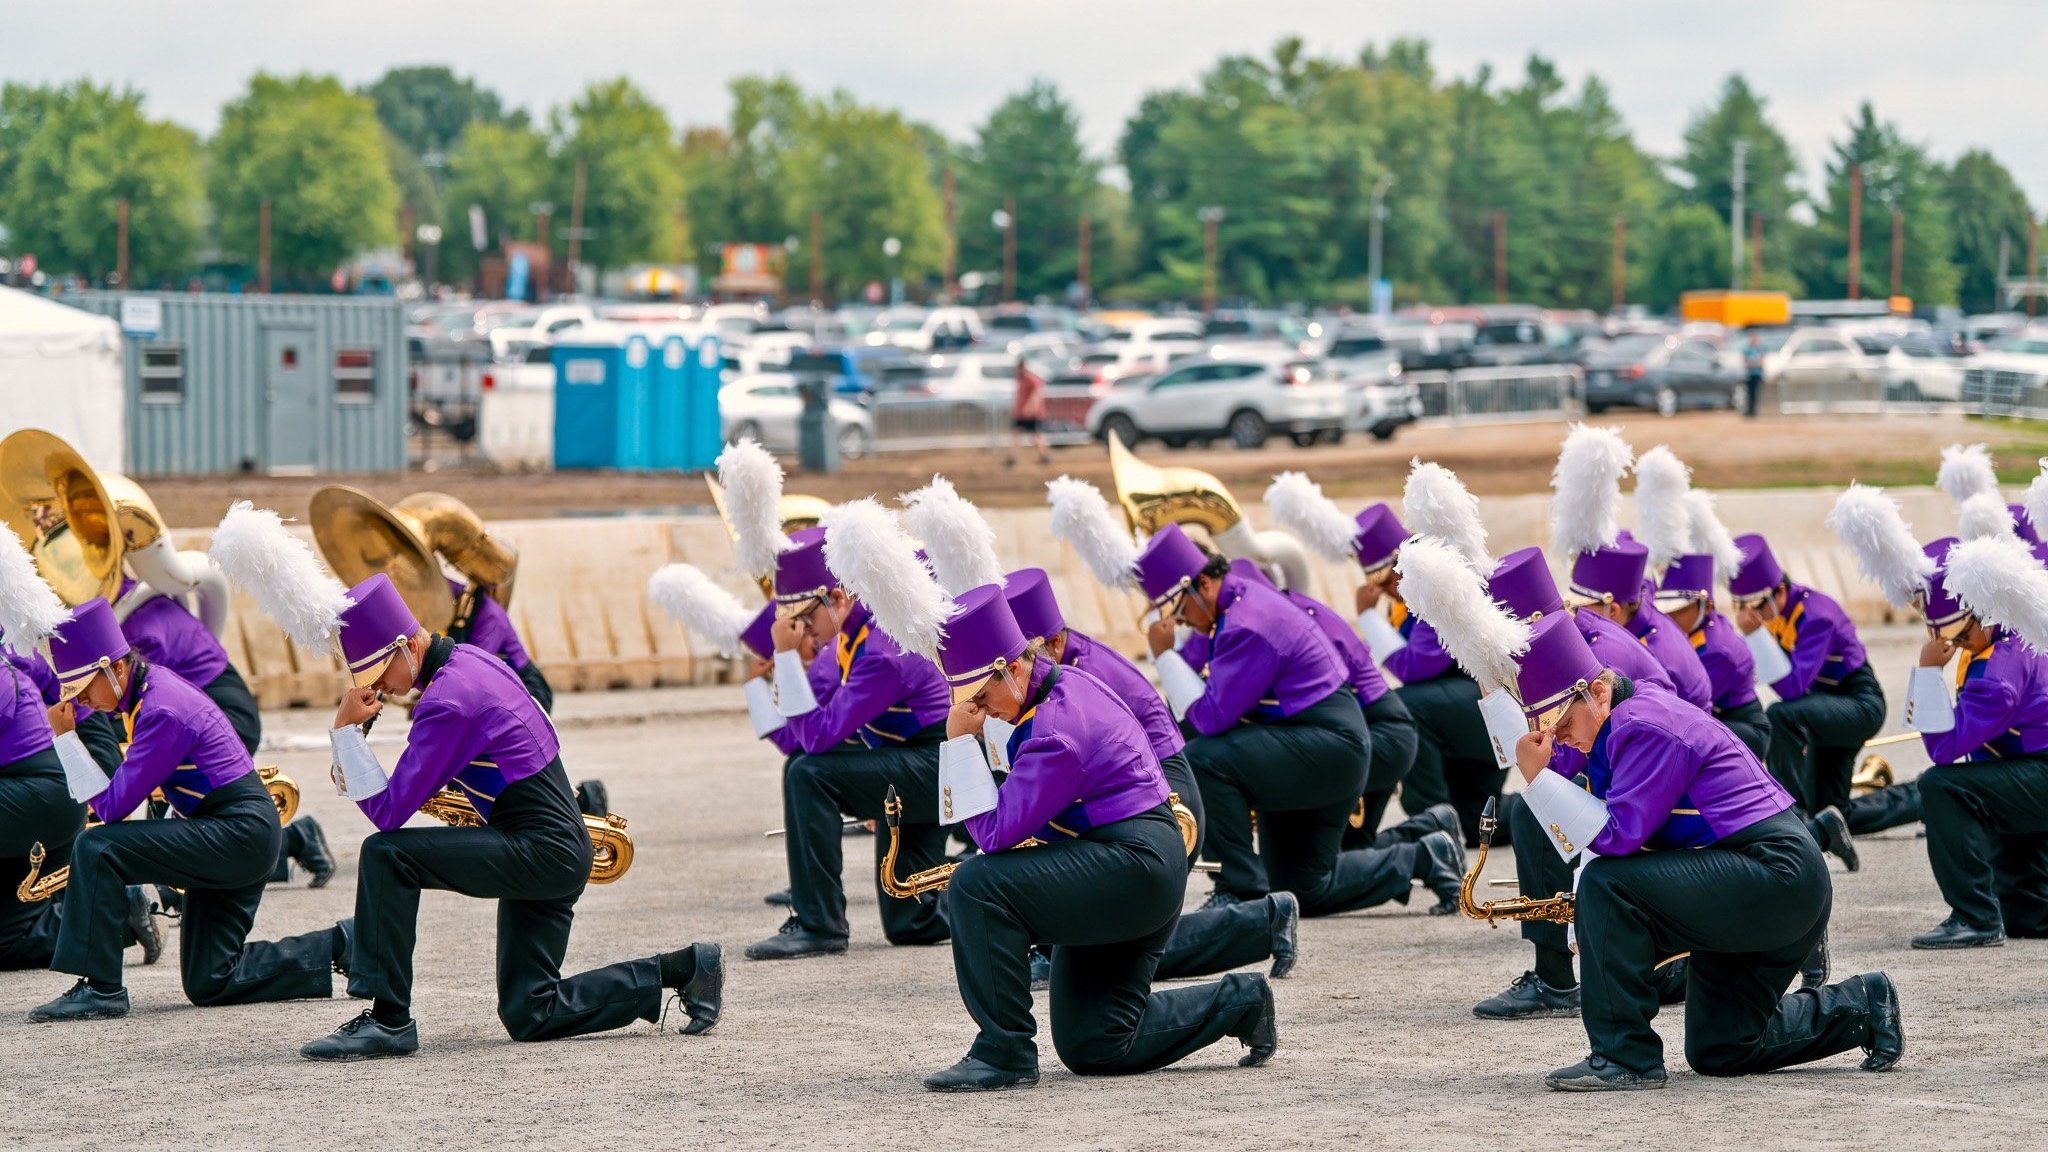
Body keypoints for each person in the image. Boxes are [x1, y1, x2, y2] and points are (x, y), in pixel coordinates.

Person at [302, 574, 720, 1059]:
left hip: (540, 848)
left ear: (403, 646)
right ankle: (685, 969)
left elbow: (388, 813)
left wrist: (346, 735)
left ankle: (389, 1018)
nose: (375, 687)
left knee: (386, 855)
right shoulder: (472, 661)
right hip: (556, 844)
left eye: (374, 671)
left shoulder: (446, 702)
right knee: (530, 1012)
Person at [1508, 612, 1902, 1090]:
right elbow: (1608, 830)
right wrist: (1587, 924)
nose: (1559, 738)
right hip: (1766, 877)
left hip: (1775, 875)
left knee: (1607, 886)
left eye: (1563, 722)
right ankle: (1863, 1005)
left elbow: (1615, 837)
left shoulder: (1642, 724)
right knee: (1722, 1047)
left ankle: (1624, 1055)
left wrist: (1538, 780)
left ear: (1599, 692)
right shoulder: (1621, 722)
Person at [916, 584, 1277, 1090]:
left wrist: (958, 743)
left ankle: (1003, 1052)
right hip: (1135, 861)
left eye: (980, 697)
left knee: (977, 885)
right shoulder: (1056, 691)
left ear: (1012, 668)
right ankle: (1240, 1002)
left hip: (1133, 867)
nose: (979, 711)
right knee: (1096, 1042)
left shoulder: (1056, 732)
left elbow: (991, 833)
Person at [29, 599, 340, 1021]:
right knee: (211, 980)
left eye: (84, 687)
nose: (81, 700)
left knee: (96, 847)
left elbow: (110, 807)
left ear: (115, 668)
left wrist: (66, 739)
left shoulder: (161, 709)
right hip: (239, 833)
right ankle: (344, 946)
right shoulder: (149, 690)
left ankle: (100, 987)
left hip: (238, 834)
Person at [1140, 524, 1464, 919]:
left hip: (1330, 744)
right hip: (1321, 742)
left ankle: (1239, 891)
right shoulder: (1235, 610)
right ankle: (1425, 855)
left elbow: (1209, 719)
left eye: (1179, 610)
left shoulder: (1246, 624)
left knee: (1204, 758)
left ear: (1204, 585)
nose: (1182, 623)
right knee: (1302, 887)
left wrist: (1164, 656)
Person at [1004, 568, 1297, 981]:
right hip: (1129, 787)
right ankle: (1265, 921)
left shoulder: (1083, 673)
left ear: (1052, 643)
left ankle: (1264, 922)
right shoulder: (1055, 668)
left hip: (1161, 790)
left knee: (1117, 953)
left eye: (1023, 660)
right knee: (1102, 947)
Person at [745, 529, 953, 959]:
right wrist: (760, 682)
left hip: (939, 765)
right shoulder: (850, 639)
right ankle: (968, 889)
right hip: (916, 760)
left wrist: (784, 659)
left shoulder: (880, 650)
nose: (799, 633)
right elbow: (797, 737)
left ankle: (819, 923)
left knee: (807, 773)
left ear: (837, 599)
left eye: (802, 620)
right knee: (912, 922)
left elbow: (816, 738)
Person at [118, 574, 334, 889]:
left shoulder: (135, 629)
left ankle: (291, 840)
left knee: (191, 836)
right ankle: (296, 839)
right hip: (218, 701)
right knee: (205, 834)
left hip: (220, 708)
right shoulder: (136, 603)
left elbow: (144, 714)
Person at [1905, 543, 2048, 948]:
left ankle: (1975, 916)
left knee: (1940, 785)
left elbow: (1943, 751)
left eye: (1961, 633)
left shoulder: (1995, 676)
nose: (1958, 645)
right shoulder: (2010, 633)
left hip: (2037, 771)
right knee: (2028, 916)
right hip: (2028, 764)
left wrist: (1928, 673)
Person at [1729, 533, 1882, 871]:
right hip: (1822, 709)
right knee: (1834, 809)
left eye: (1754, 606)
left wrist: (1755, 636)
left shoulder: (1816, 615)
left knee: (1781, 715)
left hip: (1856, 702)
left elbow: (1793, 689)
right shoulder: (1776, 612)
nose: (1749, 616)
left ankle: (1791, 821)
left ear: (1778, 592)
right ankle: (1919, 799)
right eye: (1743, 608)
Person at [0, 643, 155, 972]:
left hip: (44, 791)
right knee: (9, 940)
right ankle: (121, 912)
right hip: (36, 787)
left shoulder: (12, 647)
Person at [1355, 504, 1490, 843]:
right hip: (1460, 713)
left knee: (1405, 707)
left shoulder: (1432, 579)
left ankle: (1431, 825)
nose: (1386, 590)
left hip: (1489, 706)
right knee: (1478, 824)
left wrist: (1367, 618)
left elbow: (1413, 667)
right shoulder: (1410, 592)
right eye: (1379, 584)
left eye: (1388, 579)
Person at [1564, 540, 1714, 711]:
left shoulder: (1657, 650)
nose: (1576, 614)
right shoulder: (1639, 614)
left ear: (1613, 610)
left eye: (1578, 608)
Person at [1653, 554, 1770, 760]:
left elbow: (1685, 700)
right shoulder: (1697, 627)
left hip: (1743, 730)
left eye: (1679, 610)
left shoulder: (1718, 650)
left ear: (1705, 605)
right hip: (1716, 719)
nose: (1669, 617)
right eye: (1665, 609)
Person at [1005, 353, 1051, 468]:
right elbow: (1018, 396)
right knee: (1015, 435)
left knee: (1036, 436)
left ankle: (1043, 456)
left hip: (1032, 414)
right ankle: (1012, 458)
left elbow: (1036, 394)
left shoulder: (1031, 379)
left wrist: (1030, 408)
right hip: (1020, 414)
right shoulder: (1020, 379)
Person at [1742, 331, 1764, 418]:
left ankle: (1754, 411)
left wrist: (1753, 362)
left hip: (1757, 374)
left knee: (1755, 394)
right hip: (1749, 374)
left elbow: (1761, 362)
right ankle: (1749, 410)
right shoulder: (1747, 349)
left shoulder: (1759, 349)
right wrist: (1755, 362)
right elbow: (1746, 363)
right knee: (1748, 393)